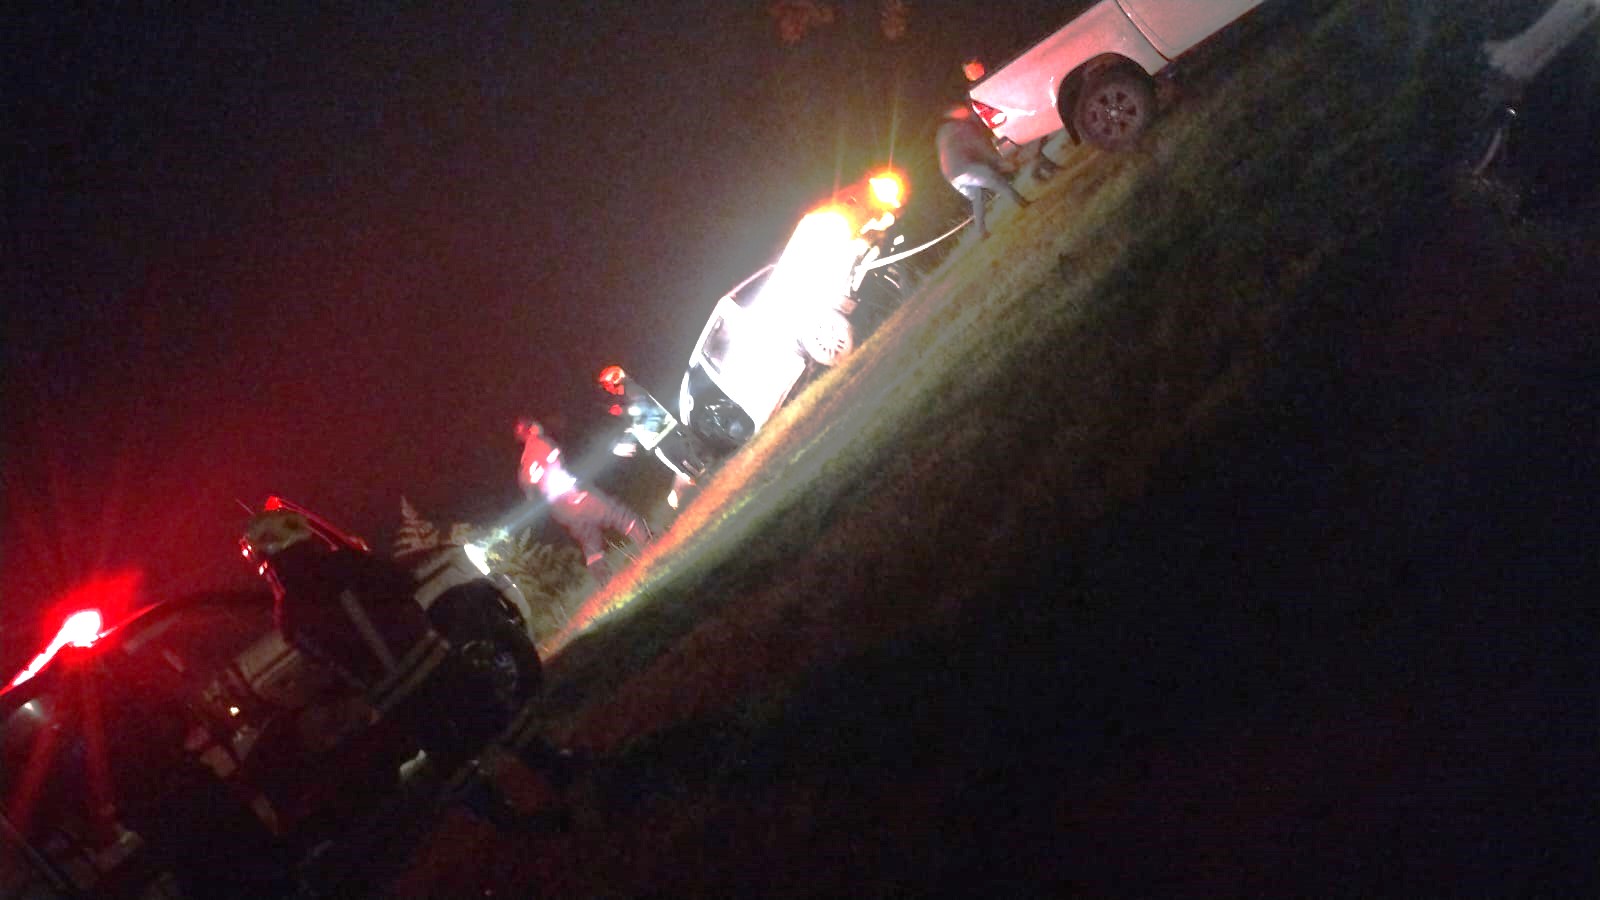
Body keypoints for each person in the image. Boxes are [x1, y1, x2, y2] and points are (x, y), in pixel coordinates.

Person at [515, 417, 652, 582]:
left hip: (559, 509)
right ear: (531, 429)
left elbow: (530, 495)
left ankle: (603, 579)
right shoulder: (541, 443)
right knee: (615, 513)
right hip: (569, 493)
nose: (539, 425)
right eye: (535, 424)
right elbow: (553, 469)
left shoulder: (524, 464)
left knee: (589, 537)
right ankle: (648, 542)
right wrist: (572, 494)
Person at [936, 103, 1030, 242]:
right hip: (965, 168)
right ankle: (1023, 203)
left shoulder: (943, 131)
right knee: (996, 181)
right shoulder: (961, 127)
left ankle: (981, 232)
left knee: (977, 197)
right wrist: (1000, 162)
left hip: (952, 175)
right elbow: (981, 147)